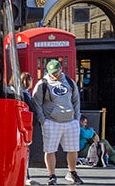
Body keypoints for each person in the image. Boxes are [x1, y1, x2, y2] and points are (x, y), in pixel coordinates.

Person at [37, 58, 85, 186]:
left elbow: (76, 100)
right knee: (50, 150)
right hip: (51, 121)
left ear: (61, 69)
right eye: (52, 73)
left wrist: (76, 118)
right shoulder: (43, 83)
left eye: (56, 72)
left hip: (70, 121)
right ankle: (52, 176)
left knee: (73, 149)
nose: (54, 75)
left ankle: (72, 172)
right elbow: (36, 102)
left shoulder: (70, 82)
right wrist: (43, 120)